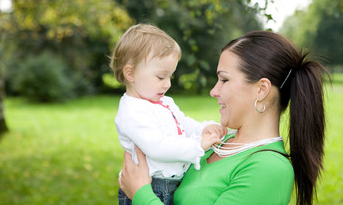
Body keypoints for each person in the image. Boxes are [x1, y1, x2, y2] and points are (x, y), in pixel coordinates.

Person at [118, 30, 328, 205]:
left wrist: (141, 194)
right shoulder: (217, 142)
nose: (213, 91)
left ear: (261, 89)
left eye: (224, 80)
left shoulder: (268, 169)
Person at [110, 24, 226, 205]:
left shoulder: (164, 102)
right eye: (161, 77)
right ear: (131, 73)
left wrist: (204, 128)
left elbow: (183, 123)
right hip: (152, 187)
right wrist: (197, 145)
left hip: (170, 183)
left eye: (170, 77)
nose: (168, 84)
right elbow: (157, 147)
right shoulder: (132, 110)